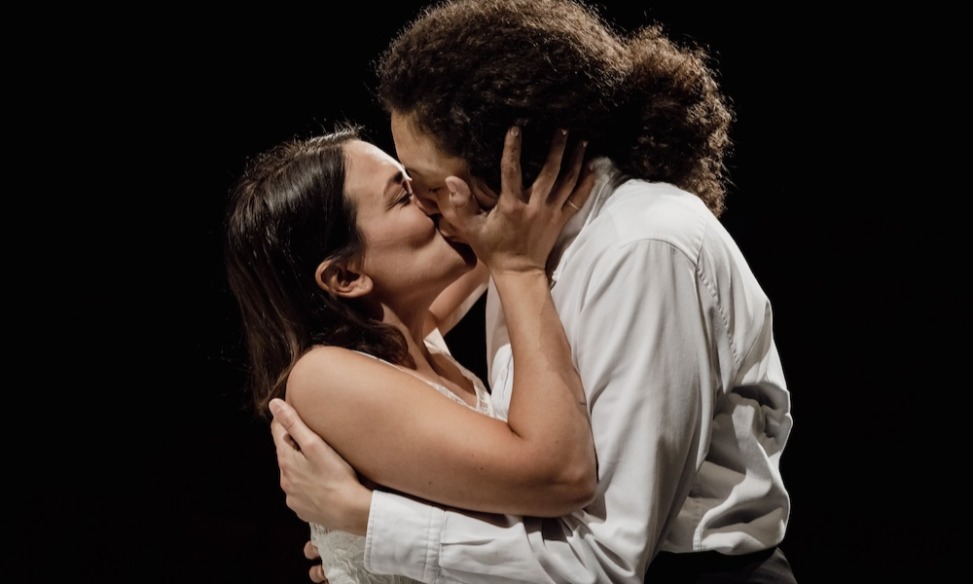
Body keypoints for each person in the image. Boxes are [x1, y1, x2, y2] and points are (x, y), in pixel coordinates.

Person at [271, 0, 797, 582]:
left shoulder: (641, 249)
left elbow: (603, 557)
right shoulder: (513, 245)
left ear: (505, 163)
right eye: (407, 192)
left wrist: (373, 525)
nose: (429, 206)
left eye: (428, 185)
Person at [225, 122, 599, 584]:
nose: (432, 198)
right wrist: (518, 269)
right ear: (346, 276)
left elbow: (500, 229)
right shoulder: (323, 376)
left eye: (419, 180)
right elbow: (562, 473)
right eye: (404, 195)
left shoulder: (414, 337)